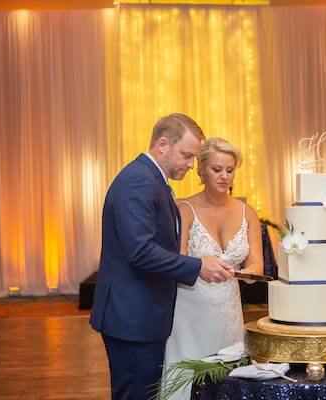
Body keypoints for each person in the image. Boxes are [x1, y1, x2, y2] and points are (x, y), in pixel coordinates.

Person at [89, 114, 235, 400]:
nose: (191, 164)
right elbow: (141, 252)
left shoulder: (152, 179)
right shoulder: (138, 182)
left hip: (142, 315)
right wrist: (198, 265)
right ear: (163, 144)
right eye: (186, 155)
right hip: (133, 317)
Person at [161, 137, 264, 400]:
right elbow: (177, 260)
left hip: (229, 310)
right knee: (188, 379)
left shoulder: (247, 212)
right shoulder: (184, 209)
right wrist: (199, 268)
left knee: (226, 378)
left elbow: (256, 264)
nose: (224, 176)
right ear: (202, 170)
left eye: (230, 170)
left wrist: (248, 274)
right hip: (190, 311)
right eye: (217, 169)